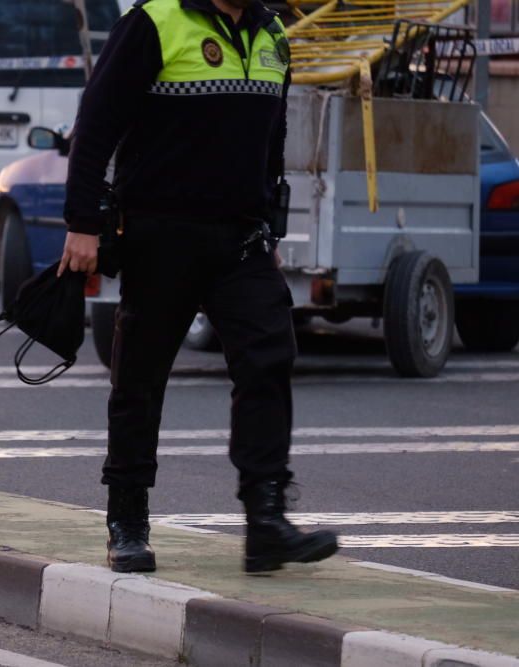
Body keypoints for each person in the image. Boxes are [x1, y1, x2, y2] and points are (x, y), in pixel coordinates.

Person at [59, 0, 339, 574]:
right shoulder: (155, 21)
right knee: (141, 376)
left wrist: (270, 223)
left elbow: (271, 137)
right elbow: (96, 124)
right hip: (160, 233)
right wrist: (82, 223)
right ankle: (127, 521)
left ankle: (265, 521)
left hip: (241, 238)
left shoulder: (272, 31)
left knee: (268, 358)